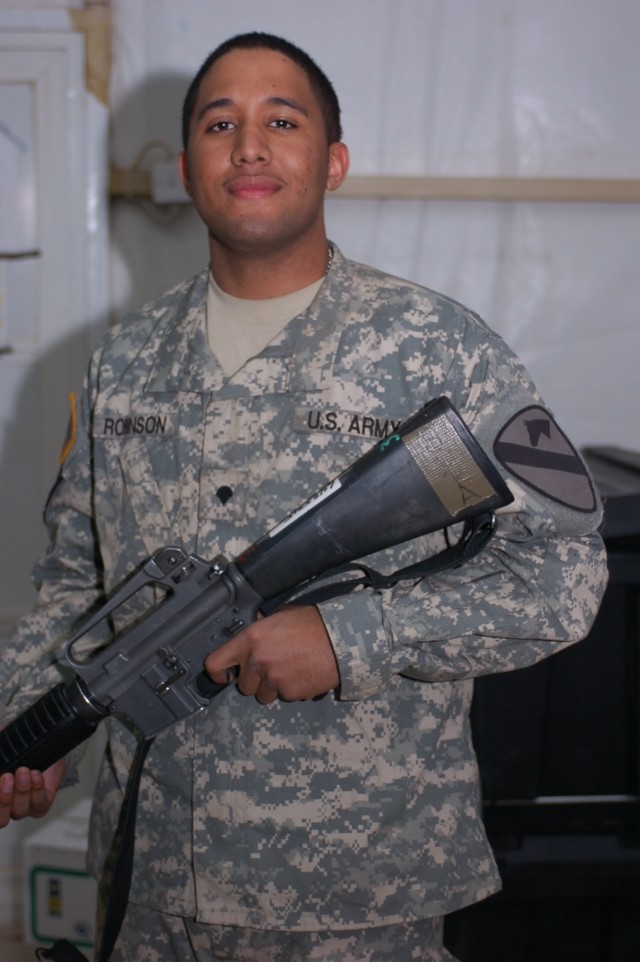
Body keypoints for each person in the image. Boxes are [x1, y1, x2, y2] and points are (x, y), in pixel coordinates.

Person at [0, 31, 607, 962]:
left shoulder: (438, 348)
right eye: (220, 123)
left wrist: (350, 639)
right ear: (186, 167)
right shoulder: (124, 361)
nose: (249, 144)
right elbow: (71, 578)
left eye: (281, 121)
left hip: (355, 893)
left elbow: (563, 570)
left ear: (334, 162)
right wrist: (32, 723)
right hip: (147, 877)